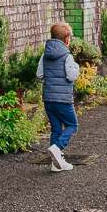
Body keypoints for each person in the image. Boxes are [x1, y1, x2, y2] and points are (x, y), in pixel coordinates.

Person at [37, 21, 80, 172]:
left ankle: (56, 164)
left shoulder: (45, 56)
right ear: (67, 40)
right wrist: (76, 67)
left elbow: (39, 74)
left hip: (48, 99)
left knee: (56, 129)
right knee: (72, 125)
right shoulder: (67, 57)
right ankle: (58, 147)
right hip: (63, 100)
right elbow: (71, 76)